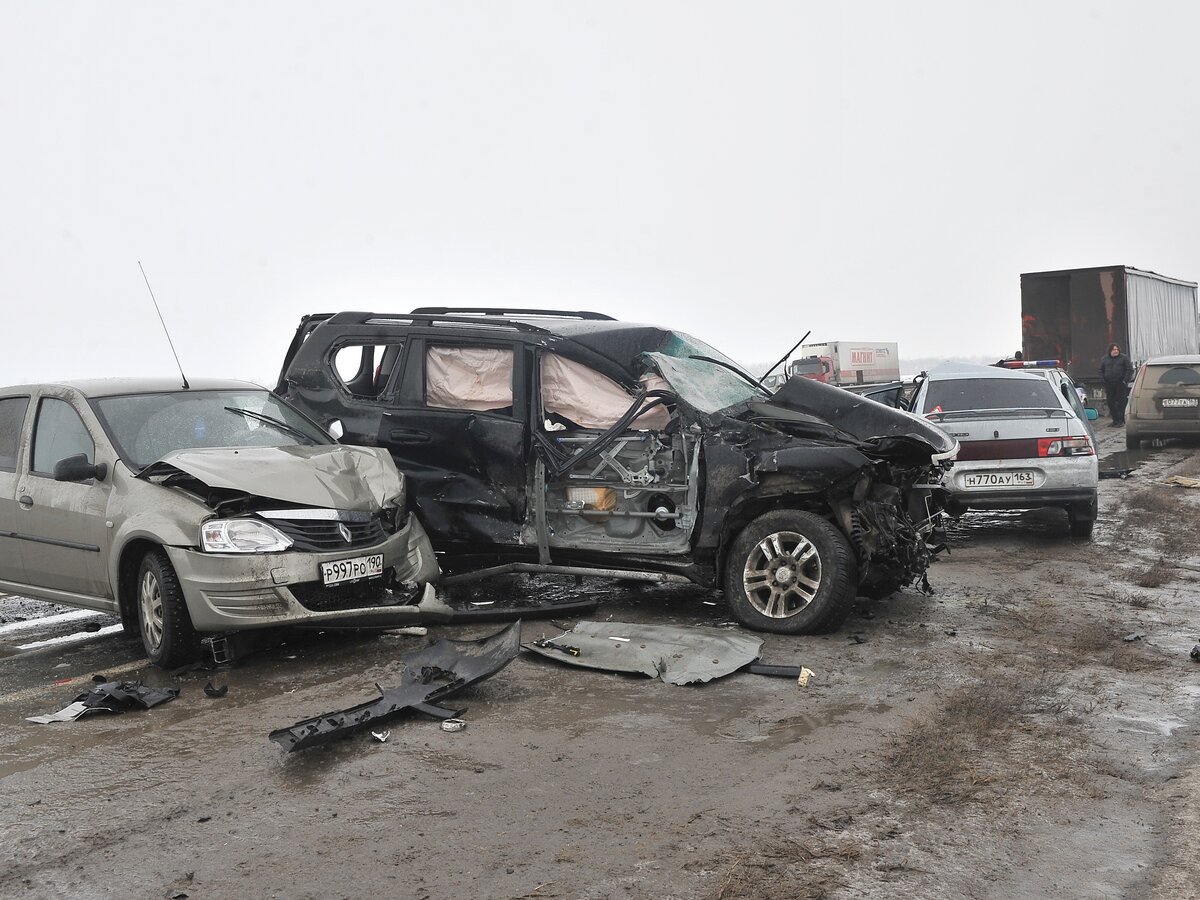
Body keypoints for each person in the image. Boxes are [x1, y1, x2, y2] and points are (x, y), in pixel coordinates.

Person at [1099, 343, 1133, 426]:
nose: (1116, 351)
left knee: (1121, 403)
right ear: (1110, 350)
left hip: (1120, 383)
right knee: (1111, 402)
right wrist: (1103, 380)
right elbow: (1101, 370)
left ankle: (1121, 420)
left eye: (1117, 349)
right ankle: (1115, 420)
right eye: (1114, 349)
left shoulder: (1124, 358)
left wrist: (1125, 380)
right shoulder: (1105, 359)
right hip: (1109, 383)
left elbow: (1129, 370)